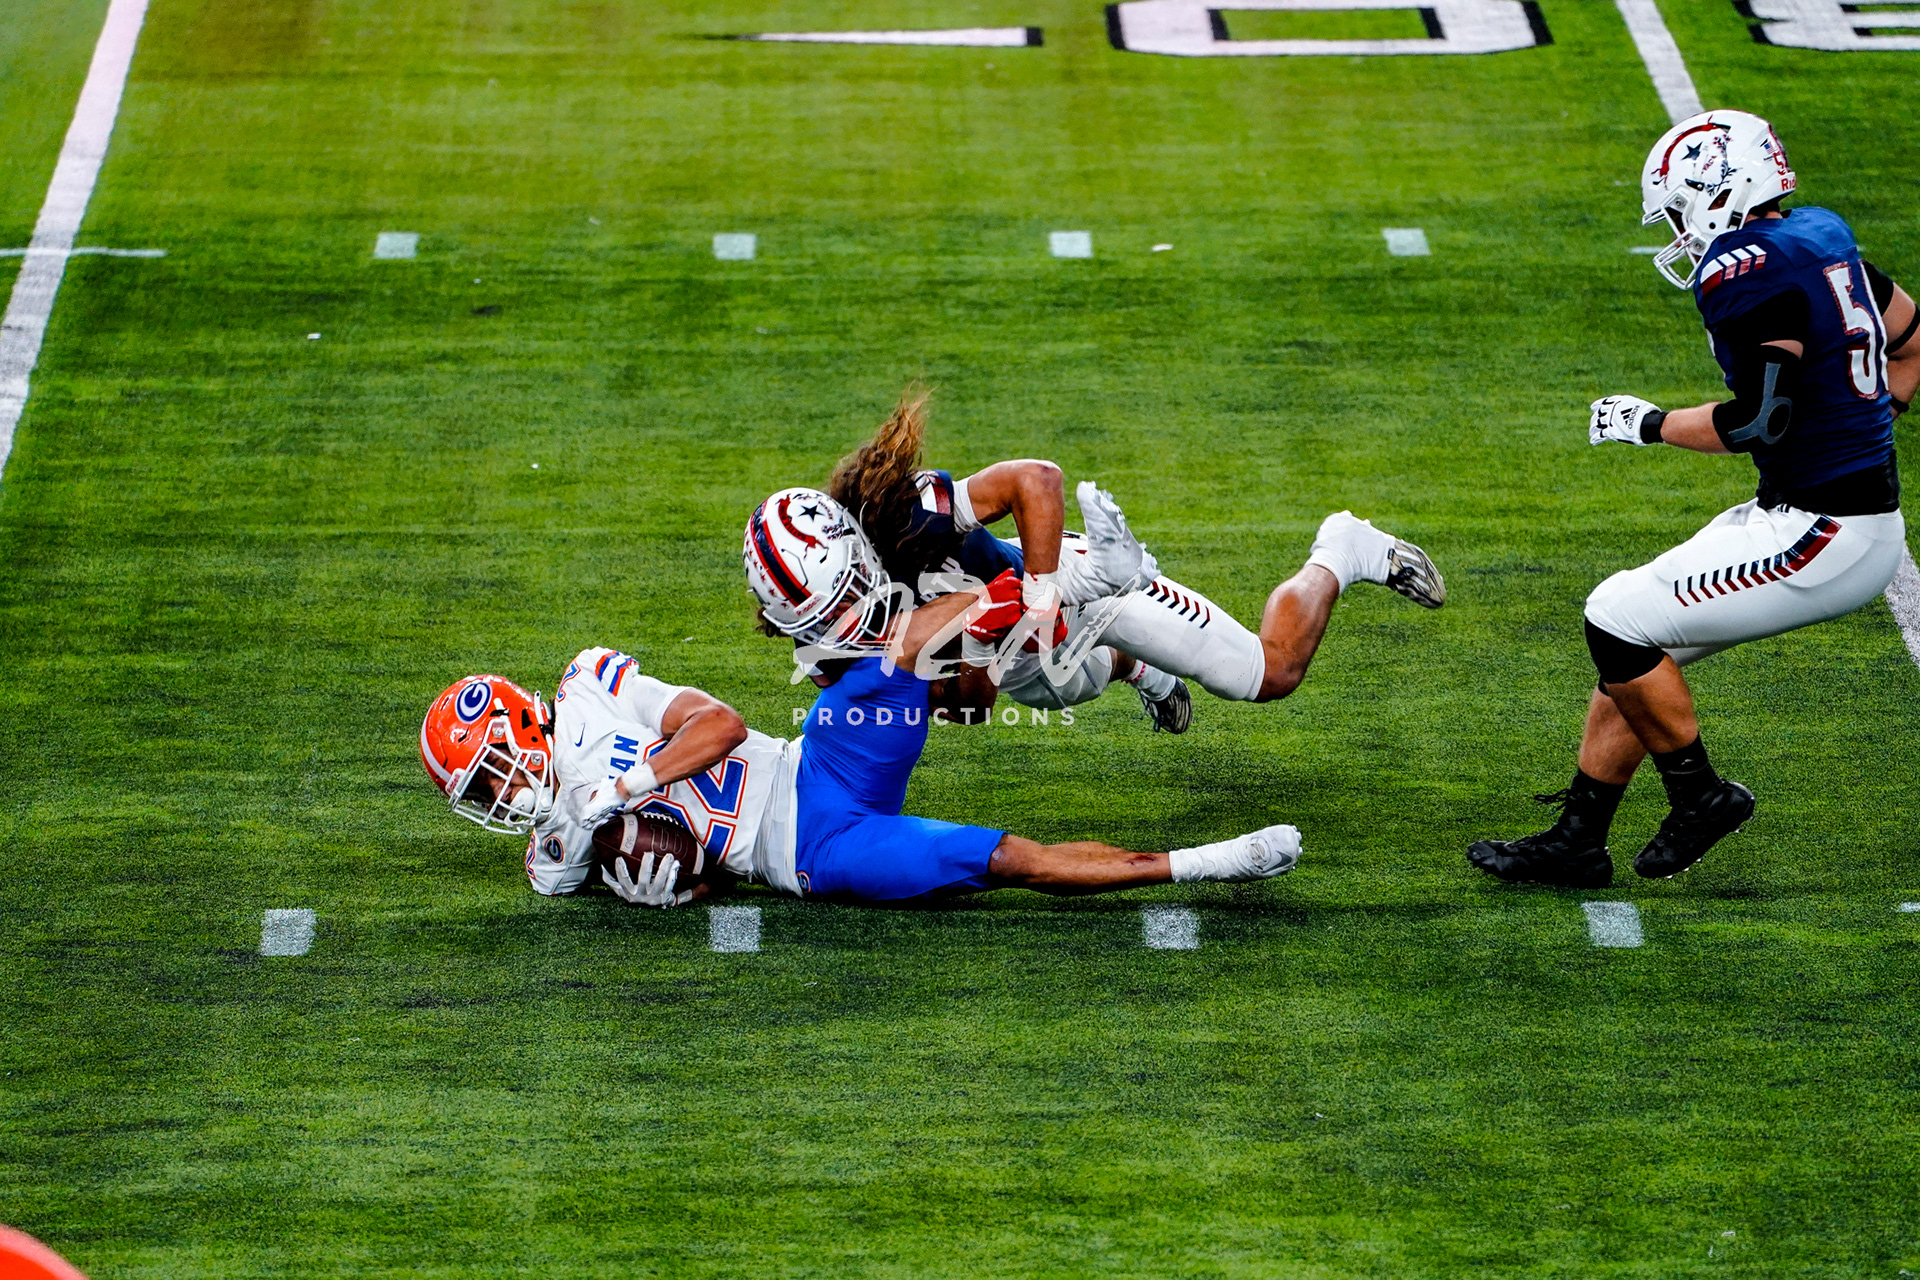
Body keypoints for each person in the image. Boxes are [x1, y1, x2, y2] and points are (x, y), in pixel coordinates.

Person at [419, 491, 1301, 906]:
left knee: (910, 650)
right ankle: (1216, 861)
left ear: (519, 720)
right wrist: (669, 879)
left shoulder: (591, 688)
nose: (500, 795)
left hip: (816, 766)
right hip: (812, 851)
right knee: (1005, 862)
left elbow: (718, 726)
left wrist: (622, 787)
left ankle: (1084, 582)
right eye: (481, 794)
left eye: (490, 773)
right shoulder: (552, 858)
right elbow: (683, 870)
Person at [1469, 109, 1910, 890]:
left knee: (1615, 617)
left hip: (1826, 531)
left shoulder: (1749, 267)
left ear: (1717, 190)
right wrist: (1864, 423)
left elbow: (1760, 421)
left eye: (1679, 209)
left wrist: (1649, 424)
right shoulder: (1820, 235)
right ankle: (1578, 841)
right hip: (1820, 509)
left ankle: (1700, 795)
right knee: (1633, 651)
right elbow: (1911, 343)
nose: (1678, 230)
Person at [820, 389, 1446, 732]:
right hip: (1013, 645)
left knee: (1271, 673)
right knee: (1074, 684)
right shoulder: (827, 635)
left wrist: (1038, 596)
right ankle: (1143, 670)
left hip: (1068, 585)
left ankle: (1343, 547)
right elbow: (971, 708)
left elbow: (1035, 479)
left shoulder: (906, 518)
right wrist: (980, 640)